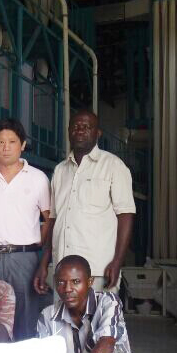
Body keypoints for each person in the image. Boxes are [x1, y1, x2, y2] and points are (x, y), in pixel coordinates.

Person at [34, 110, 135, 294]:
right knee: (64, 322)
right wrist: (44, 263)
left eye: (87, 127)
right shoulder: (60, 170)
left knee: (98, 321)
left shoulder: (113, 166)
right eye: (76, 127)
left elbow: (126, 215)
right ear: (69, 131)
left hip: (98, 269)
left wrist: (117, 261)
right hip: (62, 270)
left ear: (98, 133)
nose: (80, 130)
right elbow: (54, 220)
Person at [0, 118, 51, 340]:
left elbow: (49, 219)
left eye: (12, 141)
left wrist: (41, 252)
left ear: (23, 145)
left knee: (25, 316)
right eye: (0, 142)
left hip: (25, 259)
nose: (6, 147)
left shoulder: (38, 178)